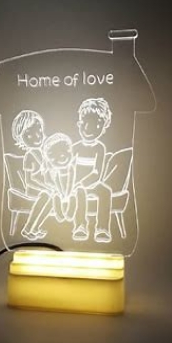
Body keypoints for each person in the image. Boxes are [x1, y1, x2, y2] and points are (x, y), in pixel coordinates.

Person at [72, 98, 113, 243]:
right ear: (79, 124)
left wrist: (85, 182)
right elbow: (69, 168)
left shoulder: (100, 148)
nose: (89, 128)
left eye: (96, 124)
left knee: (105, 191)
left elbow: (97, 172)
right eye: (85, 123)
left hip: (93, 183)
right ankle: (80, 226)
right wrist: (76, 183)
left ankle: (102, 229)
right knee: (80, 193)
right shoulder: (75, 147)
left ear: (103, 127)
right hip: (76, 184)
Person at [10, 110, 49, 240]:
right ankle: (27, 228)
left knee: (51, 199)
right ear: (21, 138)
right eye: (30, 134)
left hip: (44, 188)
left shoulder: (43, 153)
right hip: (34, 189)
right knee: (46, 196)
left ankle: (35, 227)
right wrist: (46, 187)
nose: (37, 136)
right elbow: (30, 180)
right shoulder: (30, 156)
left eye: (39, 131)